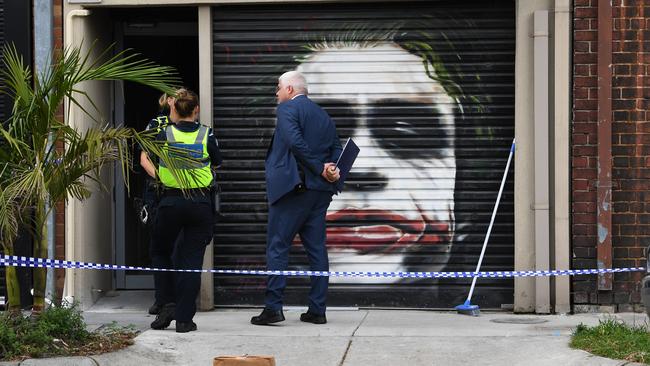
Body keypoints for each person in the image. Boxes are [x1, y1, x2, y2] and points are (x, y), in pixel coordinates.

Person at [251, 71, 342, 326]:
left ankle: (273, 308)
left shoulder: (287, 110)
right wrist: (332, 168)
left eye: (278, 87)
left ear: (290, 89)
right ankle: (317, 310)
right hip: (319, 192)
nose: (276, 92)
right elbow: (337, 145)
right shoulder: (322, 114)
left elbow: (295, 142)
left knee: (278, 246)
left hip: (294, 190)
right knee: (317, 250)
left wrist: (318, 167)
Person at [141, 88, 222, 333]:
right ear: (196, 109)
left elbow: (145, 158)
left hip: (171, 202)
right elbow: (217, 163)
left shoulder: (163, 134)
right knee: (191, 262)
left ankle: (166, 305)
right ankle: (185, 320)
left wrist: (163, 180)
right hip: (200, 204)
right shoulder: (207, 134)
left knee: (160, 251)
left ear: (173, 108)